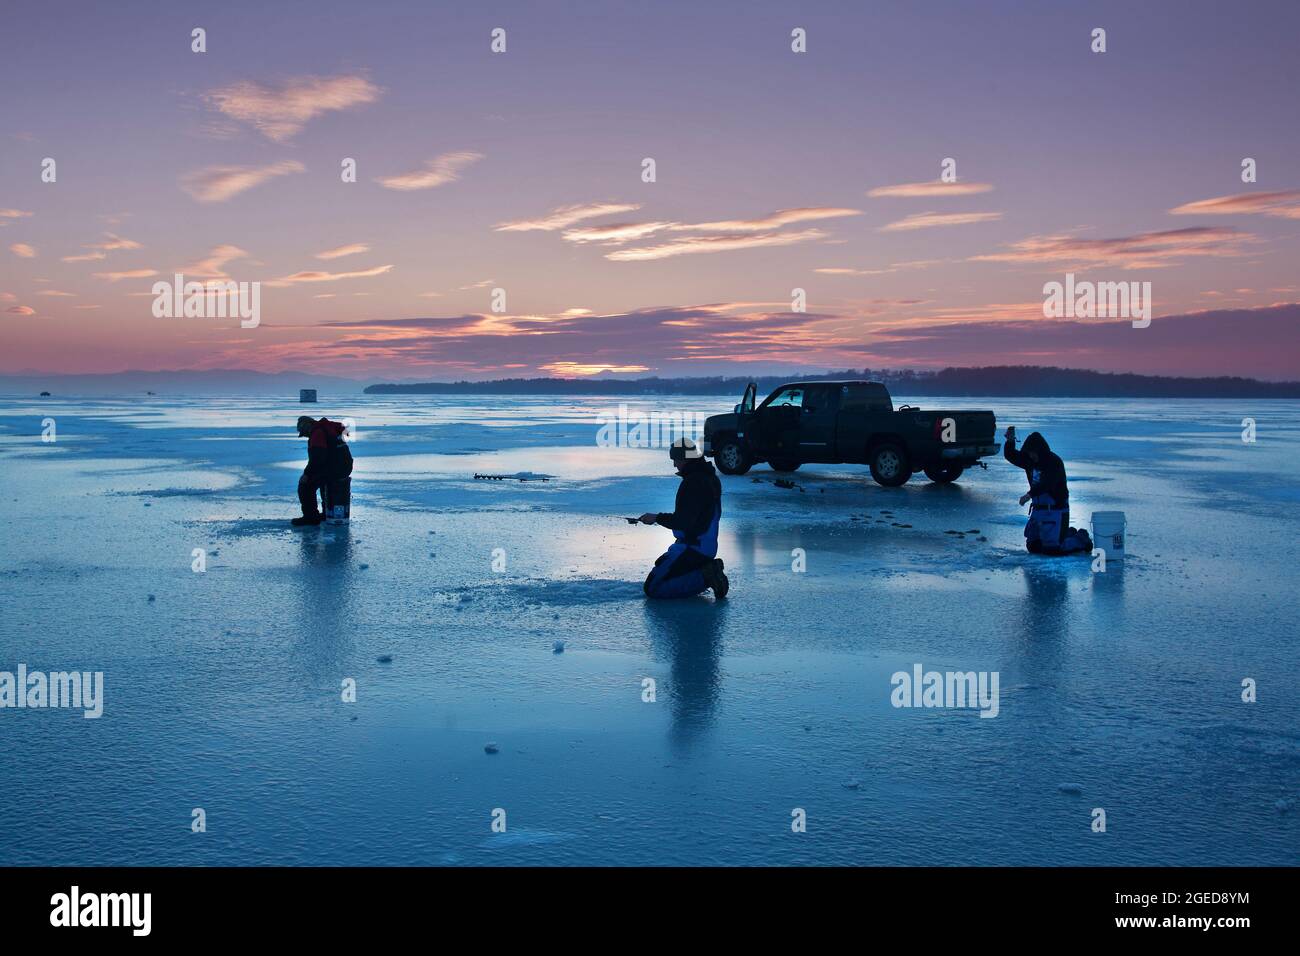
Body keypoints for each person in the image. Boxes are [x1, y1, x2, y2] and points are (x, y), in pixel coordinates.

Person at [639, 437, 730, 598]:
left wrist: (656, 518)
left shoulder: (694, 482)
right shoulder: (708, 478)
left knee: (653, 588)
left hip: (694, 547)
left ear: (685, 459)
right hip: (703, 545)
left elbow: (683, 522)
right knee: (661, 573)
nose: (674, 465)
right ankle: (702, 573)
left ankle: (706, 576)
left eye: (676, 460)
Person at [1003, 425, 1090, 554]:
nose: (1031, 456)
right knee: (1034, 546)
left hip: (1056, 510)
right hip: (1038, 511)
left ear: (1040, 451)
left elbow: (1047, 483)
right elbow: (1011, 456)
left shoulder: (1053, 462)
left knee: (1053, 549)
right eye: (1029, 453)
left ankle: (1081, 539)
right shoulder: (1029, 460)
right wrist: (1010, 441)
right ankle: (1066, 533)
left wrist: (1029, 495)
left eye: (1033, 453)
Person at [292, 416, 353, 526]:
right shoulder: (330, 428)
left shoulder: (317, 433)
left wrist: (307, 474)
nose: (306, 436)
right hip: (345, 467)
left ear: (307, 427)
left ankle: (310, 517)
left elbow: (317, 458)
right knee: (322, 481)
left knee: (306, 486)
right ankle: (326, 513)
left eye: (305, 433)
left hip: (335, 468)